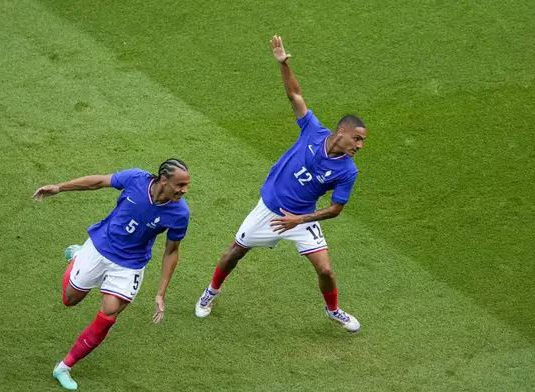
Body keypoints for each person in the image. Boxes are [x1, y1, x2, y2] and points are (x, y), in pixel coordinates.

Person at [194, 36, 366, 333]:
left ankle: (334, 310)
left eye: (362, 141)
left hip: (301, 218)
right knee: (235, 251)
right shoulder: (313, 131)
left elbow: (336, 209)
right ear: (341, 132)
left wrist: (300, 219)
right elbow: (295, 97)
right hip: (271, 209)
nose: (360, 145)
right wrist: (284, 64)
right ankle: (211, 291)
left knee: (325, 268)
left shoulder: (348, 171)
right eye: (357, 138)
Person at [33, 159, 190, 390]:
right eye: (180, 185)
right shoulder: (136, 179)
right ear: (163, 180)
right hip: (101, 246)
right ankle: (77, 256)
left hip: (130, 265)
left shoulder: (180, 213)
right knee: (69, 299)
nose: (184, 190)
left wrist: (160, 293)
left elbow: (171, 251)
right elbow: (98, 182)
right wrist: (59, 187)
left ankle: (64, 367)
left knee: (109, 313)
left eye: (187, 185)